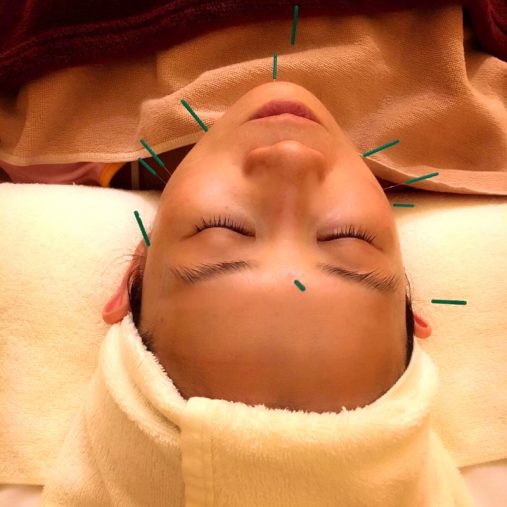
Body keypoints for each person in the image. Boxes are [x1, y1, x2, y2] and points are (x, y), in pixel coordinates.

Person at [102, 80, 431, 414]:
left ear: (139, 265)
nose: (291, 154)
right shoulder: (442, 131)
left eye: (222, 228)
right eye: (349, 237)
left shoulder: (96, 128)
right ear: (408, 300)